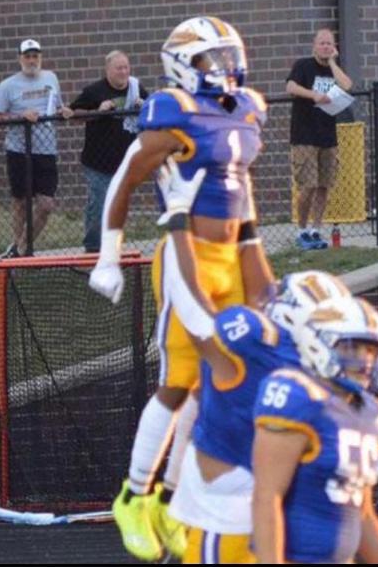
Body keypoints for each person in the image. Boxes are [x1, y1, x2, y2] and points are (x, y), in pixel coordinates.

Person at [87, 17, 268, 562]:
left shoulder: (247, 107)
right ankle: (133, 495)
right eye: (212, 59)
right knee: (178, 380)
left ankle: (170, 497)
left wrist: (258, 259)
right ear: (183, 66)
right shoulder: (175, 111)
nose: (225, 69)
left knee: (216, 382)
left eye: (228, 56)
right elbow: (124, 176)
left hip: (232, 257)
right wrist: (108, 257)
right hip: (186, 255)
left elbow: (242, 183)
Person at [153, 156, 354, 563]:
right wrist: (179, 226)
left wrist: (245, 213)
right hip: (229, 516)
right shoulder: (250, 356)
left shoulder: (315, 370)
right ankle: (168, 496)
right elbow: (196, 311)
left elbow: (264, 291)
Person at [251, 294, 378, 564]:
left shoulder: (372, 412)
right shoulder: (297, 397)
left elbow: (361, 510)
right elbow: (266, 497)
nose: (365, 360)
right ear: (317, 344)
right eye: (352, 348)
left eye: (370, 350)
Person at [0, 39, 74, 258]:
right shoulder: (8, 85)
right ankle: (21, 251)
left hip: (46, 149)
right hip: (19, 149)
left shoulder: (51, 78)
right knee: (20, 201)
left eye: (35, 56)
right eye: (27, 56)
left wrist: (63, 110)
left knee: (46, 204)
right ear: (20, 58)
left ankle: (21, 246)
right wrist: (19, 117)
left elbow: (55, 106)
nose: (32, 60)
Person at [70, 50, 148, 253]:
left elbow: (153, 109)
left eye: (126, 67)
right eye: (118, 68)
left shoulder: (136, 88)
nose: (123, 72)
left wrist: (144, 106)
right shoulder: (94, 91)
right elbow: (72, 114)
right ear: (108, 71)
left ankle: (114, 245)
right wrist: (98, 111)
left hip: (124, 162)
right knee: (100, 202)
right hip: (97, 162)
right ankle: (93, 247)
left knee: (118, 205)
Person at [286, 28, 353, 250]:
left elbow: (347, 86)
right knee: (308, 185)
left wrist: (333, 63)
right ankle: (302, 230)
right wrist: (313, 95)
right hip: (305, 135)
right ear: (314, 46)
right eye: (322, 43)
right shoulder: (303, 66)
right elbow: (290, 87)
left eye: (329, 44)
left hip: (327, 135)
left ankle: (316, 229)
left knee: (324, 185)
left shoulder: (334, 70)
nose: (325, 47)